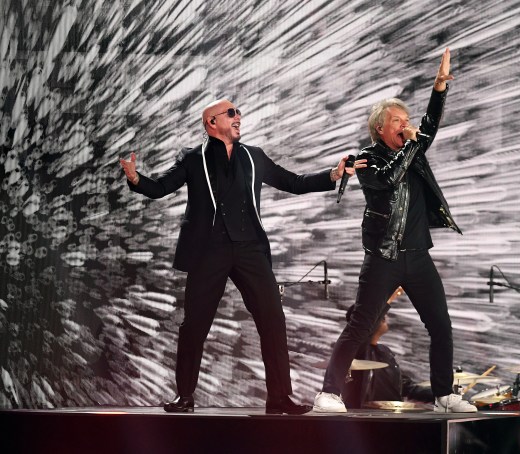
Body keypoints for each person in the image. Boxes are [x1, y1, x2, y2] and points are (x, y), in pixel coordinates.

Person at [119, 98, 365, 415]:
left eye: (239, 113)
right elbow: (161, 187)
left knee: (273, 319)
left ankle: (280, 397)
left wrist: (333, 174)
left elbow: (294, 182)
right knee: (195, 324)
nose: (239, 117)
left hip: (250, 249)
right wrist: (136, 178)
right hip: (209, 250)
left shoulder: (253, 157)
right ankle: (185, 396)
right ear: (211, 122)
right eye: (232, 113)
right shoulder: (193, 160)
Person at [313, 48, 477, 413]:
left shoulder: (413, 149)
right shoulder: (367, 158)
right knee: (360, 327)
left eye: (407, 119)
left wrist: (438, 89)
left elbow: (429, 125)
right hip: (383, 257)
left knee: (440, 325)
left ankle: (444, 395)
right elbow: (389, 180)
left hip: (418, 256)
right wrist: (414, 142)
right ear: (380, 129)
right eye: (398, 121)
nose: (406, 125)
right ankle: (328, 392)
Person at [341, 289, 433, 408]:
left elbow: (405, 387)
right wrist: (389, 299)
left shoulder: (385, 352)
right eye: (378, 314)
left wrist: (442, 394)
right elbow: (365, 321)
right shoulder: (356, 351)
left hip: (392, 417)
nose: (385, 317)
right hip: (365, 419)